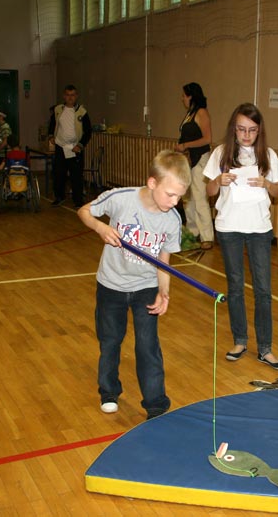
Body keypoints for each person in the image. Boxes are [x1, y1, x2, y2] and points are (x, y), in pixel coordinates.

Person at [77, 150, 190, 419]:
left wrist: (164, 292)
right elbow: (84, 211)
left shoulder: (172, 220)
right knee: (110, 341)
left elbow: (164, 262)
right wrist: (100, 228)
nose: (174, 202)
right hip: (111, 285)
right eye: (170, 194)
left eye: (179, 197)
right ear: (152, 183)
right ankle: (109, 392)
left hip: (146, 287)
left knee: (148, 345)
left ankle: (155, 404)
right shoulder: (121, 198)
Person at [203, 103, 278, 370]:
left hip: (259, 229)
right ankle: (240, 341)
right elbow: (209, 191)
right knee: (235, 287)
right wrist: (219, 181)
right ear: (233, 129)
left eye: (252, 130)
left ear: (259, 130)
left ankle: (265, 348)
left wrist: (267, 184)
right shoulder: (221, 153)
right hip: (229, 227)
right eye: (241, 129)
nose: (246, 135)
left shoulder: (268, 155)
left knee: (263, 290)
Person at [176, 82, 214, 250]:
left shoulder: (201, 112)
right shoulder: (189, 114)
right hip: (189, 160)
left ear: (191, 96)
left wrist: (185, 145)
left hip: (200, 160)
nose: (182, 98)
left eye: (184, 95)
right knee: (188, 198)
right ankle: (193, 232)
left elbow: (207, 139)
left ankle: (207, 236)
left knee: (199, 197)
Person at [49, 84, 92, 207]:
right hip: (60, 147)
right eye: (68, 95)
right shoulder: (58, 110)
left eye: (72, 95)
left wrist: (80, 145)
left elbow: (88, 131)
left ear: (76, 96)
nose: (70, 97)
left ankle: (78, 200)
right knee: (59, 174)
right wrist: (51, 136)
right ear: (64, 96)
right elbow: (52, 124)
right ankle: (59, 197)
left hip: (75, 148)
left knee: (76, 175)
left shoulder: (82, 112)